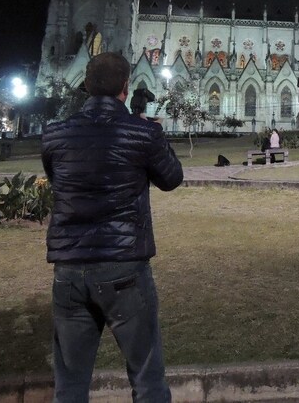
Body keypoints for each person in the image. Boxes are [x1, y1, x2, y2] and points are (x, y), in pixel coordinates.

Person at [41, 52, 184, 402]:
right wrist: (155, 136)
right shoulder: (143, 133)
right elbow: (172, 179)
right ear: (126, 88)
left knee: (70, 386)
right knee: (148, 379)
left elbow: (58, 180)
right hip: (124, 269)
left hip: (70, 270)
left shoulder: (55, 135)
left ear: (86, 86)